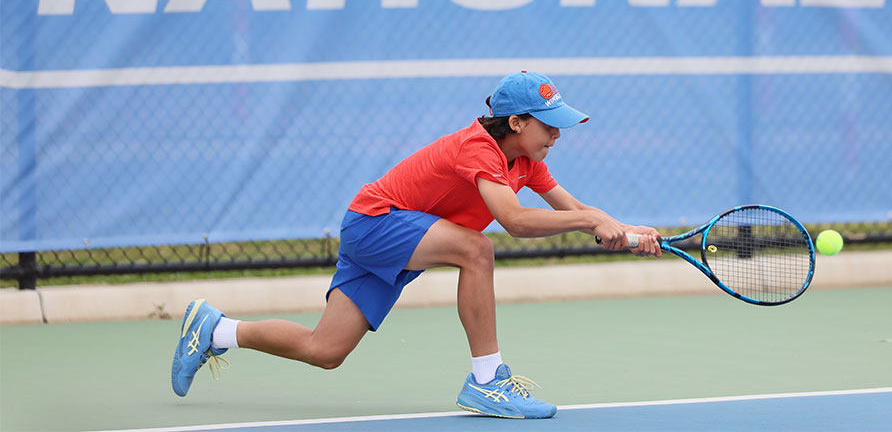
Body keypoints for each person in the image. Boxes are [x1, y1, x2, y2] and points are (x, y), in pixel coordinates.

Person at [171, 71, 661, 419]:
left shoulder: (527, 163)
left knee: (326, 350)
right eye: (548, 123)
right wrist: (592, 220)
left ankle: (217, 330)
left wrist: (629, 231)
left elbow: (574, 209)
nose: (557, 133)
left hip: (385, 236)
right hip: (375, 223)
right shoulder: (478, 147)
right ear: (516, 123)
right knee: (478, 249)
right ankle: (488, 380)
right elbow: (514, 221)